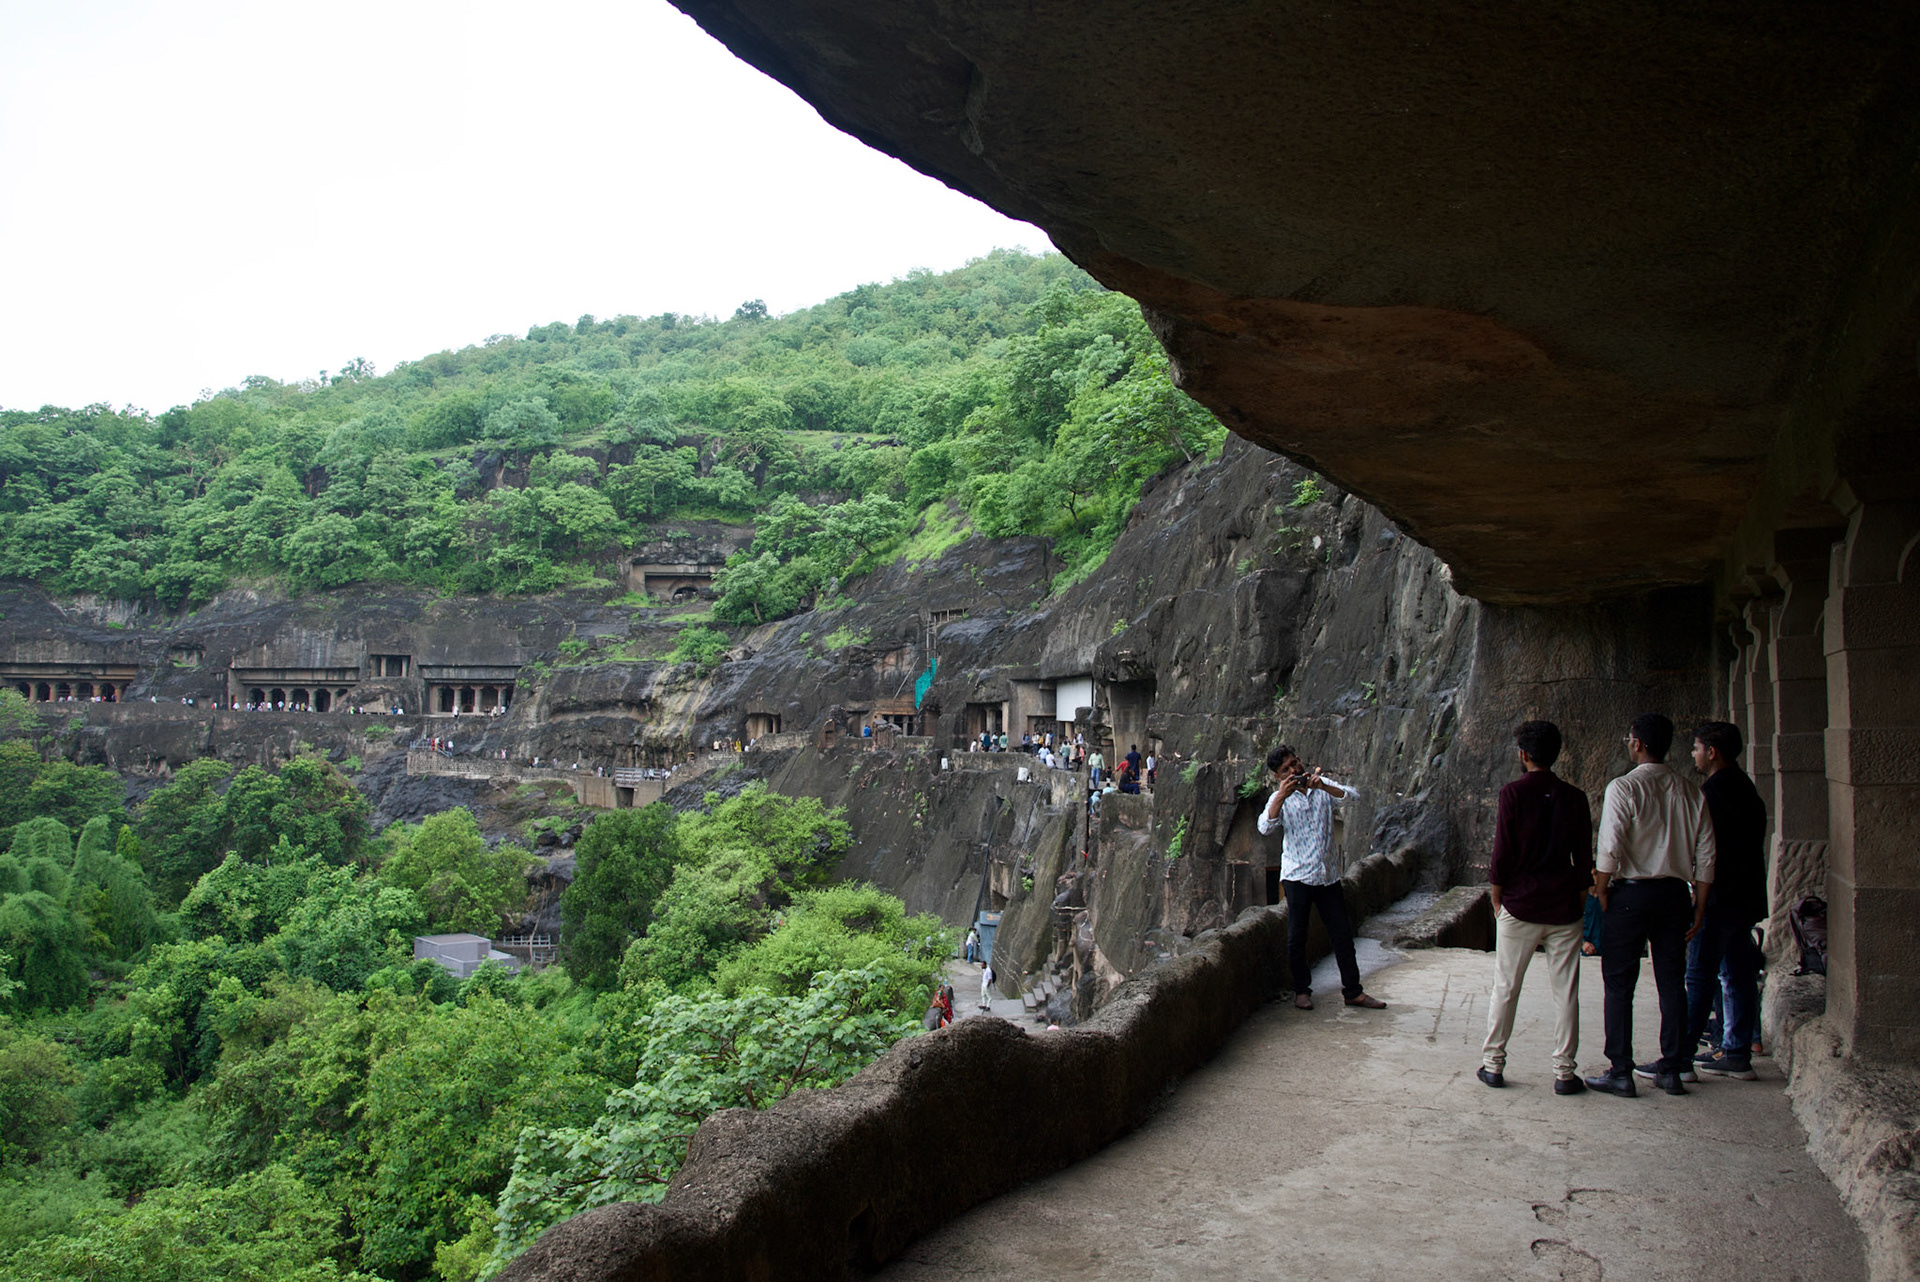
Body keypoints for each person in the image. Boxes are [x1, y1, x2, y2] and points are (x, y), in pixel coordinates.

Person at [1585, 713, 1716, 1098]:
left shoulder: (1624, 787)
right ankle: (1672, 1068)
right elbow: (1707, 855)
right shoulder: (1691, 791)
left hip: (1631, 894)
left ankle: (1621, 1071)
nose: (1629, 743)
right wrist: (1699, 906)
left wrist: (1602, 889)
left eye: (1630, 739)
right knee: (1673, 983)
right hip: (1675, 895)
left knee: (1619, 983)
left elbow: (1609, 846)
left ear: (1638, 744)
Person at [1479, 720, 1594, 1093]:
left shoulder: (1512, 794)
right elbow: (1584, 857)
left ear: (1524, 754)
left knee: (1506, 987)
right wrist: (1579, 898)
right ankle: (1564, 1072)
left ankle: (1493, 1065)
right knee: (1566, 992)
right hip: (1564, 906)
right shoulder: (1575, 797)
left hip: (1521, 903)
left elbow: (1502, 852)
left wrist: (1497, 897)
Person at [1258, 744, 1385, 1011]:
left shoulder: (1321, 787)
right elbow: (1265, 827)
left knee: (1342, 935)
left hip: (1328, 875)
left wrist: (1325, 787)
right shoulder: (1278, 798)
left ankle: (1353, 991)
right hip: (1297, 876)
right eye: (1286, 769)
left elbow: (1353, 797)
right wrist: (1282, 795)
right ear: (1278, 776)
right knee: (1297, 937)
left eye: (1294, 763)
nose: (1294, 770)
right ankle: (1301, 991)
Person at [1687, 720, 1768, 1080]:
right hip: (1744, 896)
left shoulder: (1713, 792)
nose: (1694, 754)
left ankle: (1680, 1055)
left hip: (1719, 897)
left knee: (1700, 975)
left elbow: (1705, 849)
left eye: (1697, 748)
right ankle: (1735, 1050)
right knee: (1737, 973)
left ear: (1712, 751)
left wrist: (1698, 893)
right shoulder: (1745, 786)